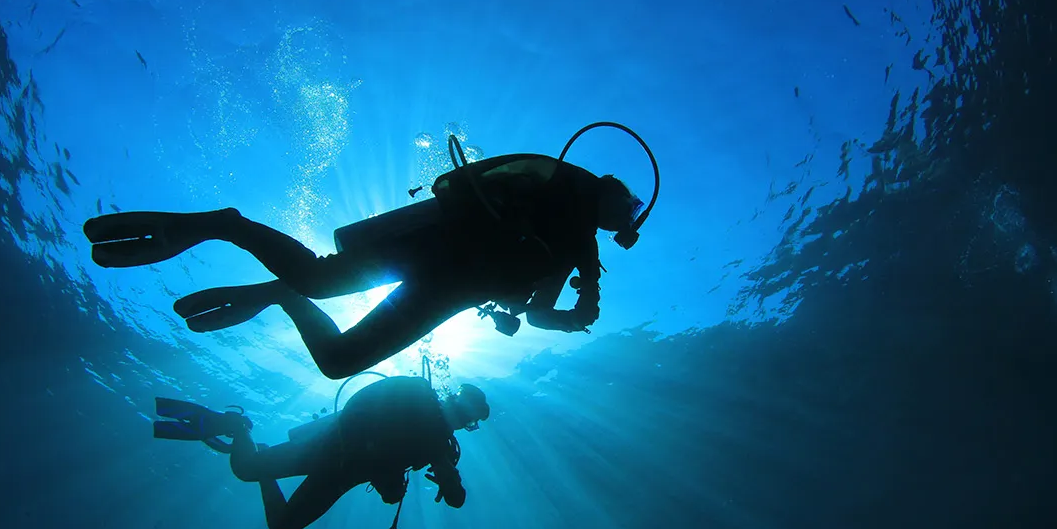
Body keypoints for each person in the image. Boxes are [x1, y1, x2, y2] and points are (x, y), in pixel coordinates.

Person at [84, 153, 645, 379]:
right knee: (319, 280)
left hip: (446, 294)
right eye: (629, 208)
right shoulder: (566, 197)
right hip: (432, 249)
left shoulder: (576, 247)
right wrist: (588, 288)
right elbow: (550, 282)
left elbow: (540, 315)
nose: (630, 220)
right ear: (610, 193)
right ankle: (227, 225)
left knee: (339, 361)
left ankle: (278, 292)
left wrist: (575, 318)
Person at [152, 377, 490, 529]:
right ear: (452, 396)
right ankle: (238, 427)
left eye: (468, 420)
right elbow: (361, 400)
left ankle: (255, 454)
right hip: (326, 447)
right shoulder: (417, 392)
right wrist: (368, 456)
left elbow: (457, 501)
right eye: (463, 410)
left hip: (342, 477)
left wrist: (450, 481)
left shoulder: (442, 450)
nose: (461, 420)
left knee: (281, 526)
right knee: (245, 470)